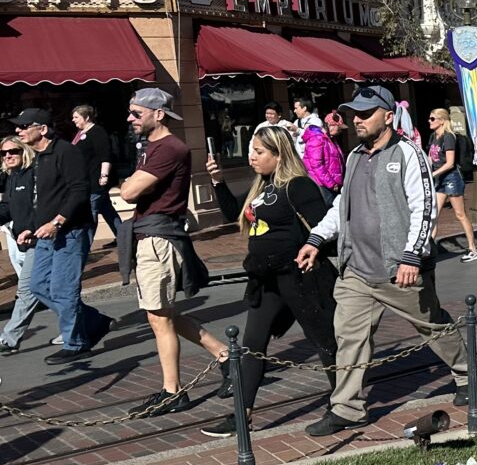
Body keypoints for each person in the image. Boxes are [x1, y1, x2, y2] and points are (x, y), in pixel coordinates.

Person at [296, 84, 470, 438]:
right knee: (349, 337)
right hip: (356, 270)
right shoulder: (354, 156)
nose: (356, 120)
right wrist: (316, 238)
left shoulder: (408, 153)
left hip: (398, 269)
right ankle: (347, 408)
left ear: (388, 116)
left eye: (365, 114)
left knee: (431, 326)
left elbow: (424, 208)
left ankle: (468, 373)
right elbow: (342, 205)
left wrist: (411, 256)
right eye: (354, 114)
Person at [202, 126, 338, 438]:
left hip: (299, 275)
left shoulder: (298, 185)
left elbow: (323, 227)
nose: (252, 157)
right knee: (252, 344)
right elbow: (231, 212)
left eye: (259, 152)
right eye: (251, 150)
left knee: (323, 338)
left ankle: (343, 403)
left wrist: (310, 249)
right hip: (266, 279)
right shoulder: (261, 187)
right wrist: (218, 181)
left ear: (279, 155)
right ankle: (242, 415)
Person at [116, 88, 229, 416]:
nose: (130, 118)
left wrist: (129, 184)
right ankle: (226, 356)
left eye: (137, 113)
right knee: (161, 314)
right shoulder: (152, 148)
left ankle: (173, 392)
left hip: (159, 238)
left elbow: (129, 192)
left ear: (159, 114)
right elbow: (132, 189)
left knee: (159, 317)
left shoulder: (169, 148)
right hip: (150, 235)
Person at [13, 109, 112, 365]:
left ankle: (75, 343)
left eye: (24, 126)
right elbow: (43, 200)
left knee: (63, 289)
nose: (18, 130)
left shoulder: (66, 152)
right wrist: (31, 228)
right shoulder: (37, 157)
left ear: (42, 129)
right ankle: (93, 320)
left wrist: (57, 222)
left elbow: (79, 191)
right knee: (38, 286)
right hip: (45, 233)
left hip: (70, 231)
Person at [0, 136, 41, 353]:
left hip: (43, 239)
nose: (8, 156)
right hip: (26, 240)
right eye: (3, 153)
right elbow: (7, 209)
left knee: (27, 289)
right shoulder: (12, 177)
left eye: (13, 151)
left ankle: (9, 338)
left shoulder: (35, 173)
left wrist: (33, 228)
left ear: (24, 151)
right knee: (50, 291)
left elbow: (44, 206)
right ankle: (90, 322)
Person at [425, 108, 477, 263]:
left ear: (442, 120)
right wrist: (425, 171)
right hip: (439, 179)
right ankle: (429, 250)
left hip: (451, 178)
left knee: (460, 214)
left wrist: (433, 174)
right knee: (433, 215)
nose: (429, 121)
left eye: (432, 119)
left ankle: (473, 249)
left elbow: (450, 163)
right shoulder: (433, 136)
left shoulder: (449, 137)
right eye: (429, 118)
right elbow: (431, 158)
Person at [71, 105, 120, 248]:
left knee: (90, 215)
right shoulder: (80, 133)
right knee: (108, 211)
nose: (73, 120)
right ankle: (125, 238)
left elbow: (105, 155)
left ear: (86, 117)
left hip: (95, 182)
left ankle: (84, 247)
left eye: (76, 117)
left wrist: (104, 176)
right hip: (85, 180)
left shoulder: (97, 132)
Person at [293, 97, 343, 205]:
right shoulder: (317, 138)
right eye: (338, 127)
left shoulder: (331, 139)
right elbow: (316, 164)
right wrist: (331, 183)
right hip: (322, 184)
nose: (340, 130)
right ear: (330, 125)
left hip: (330, 183)